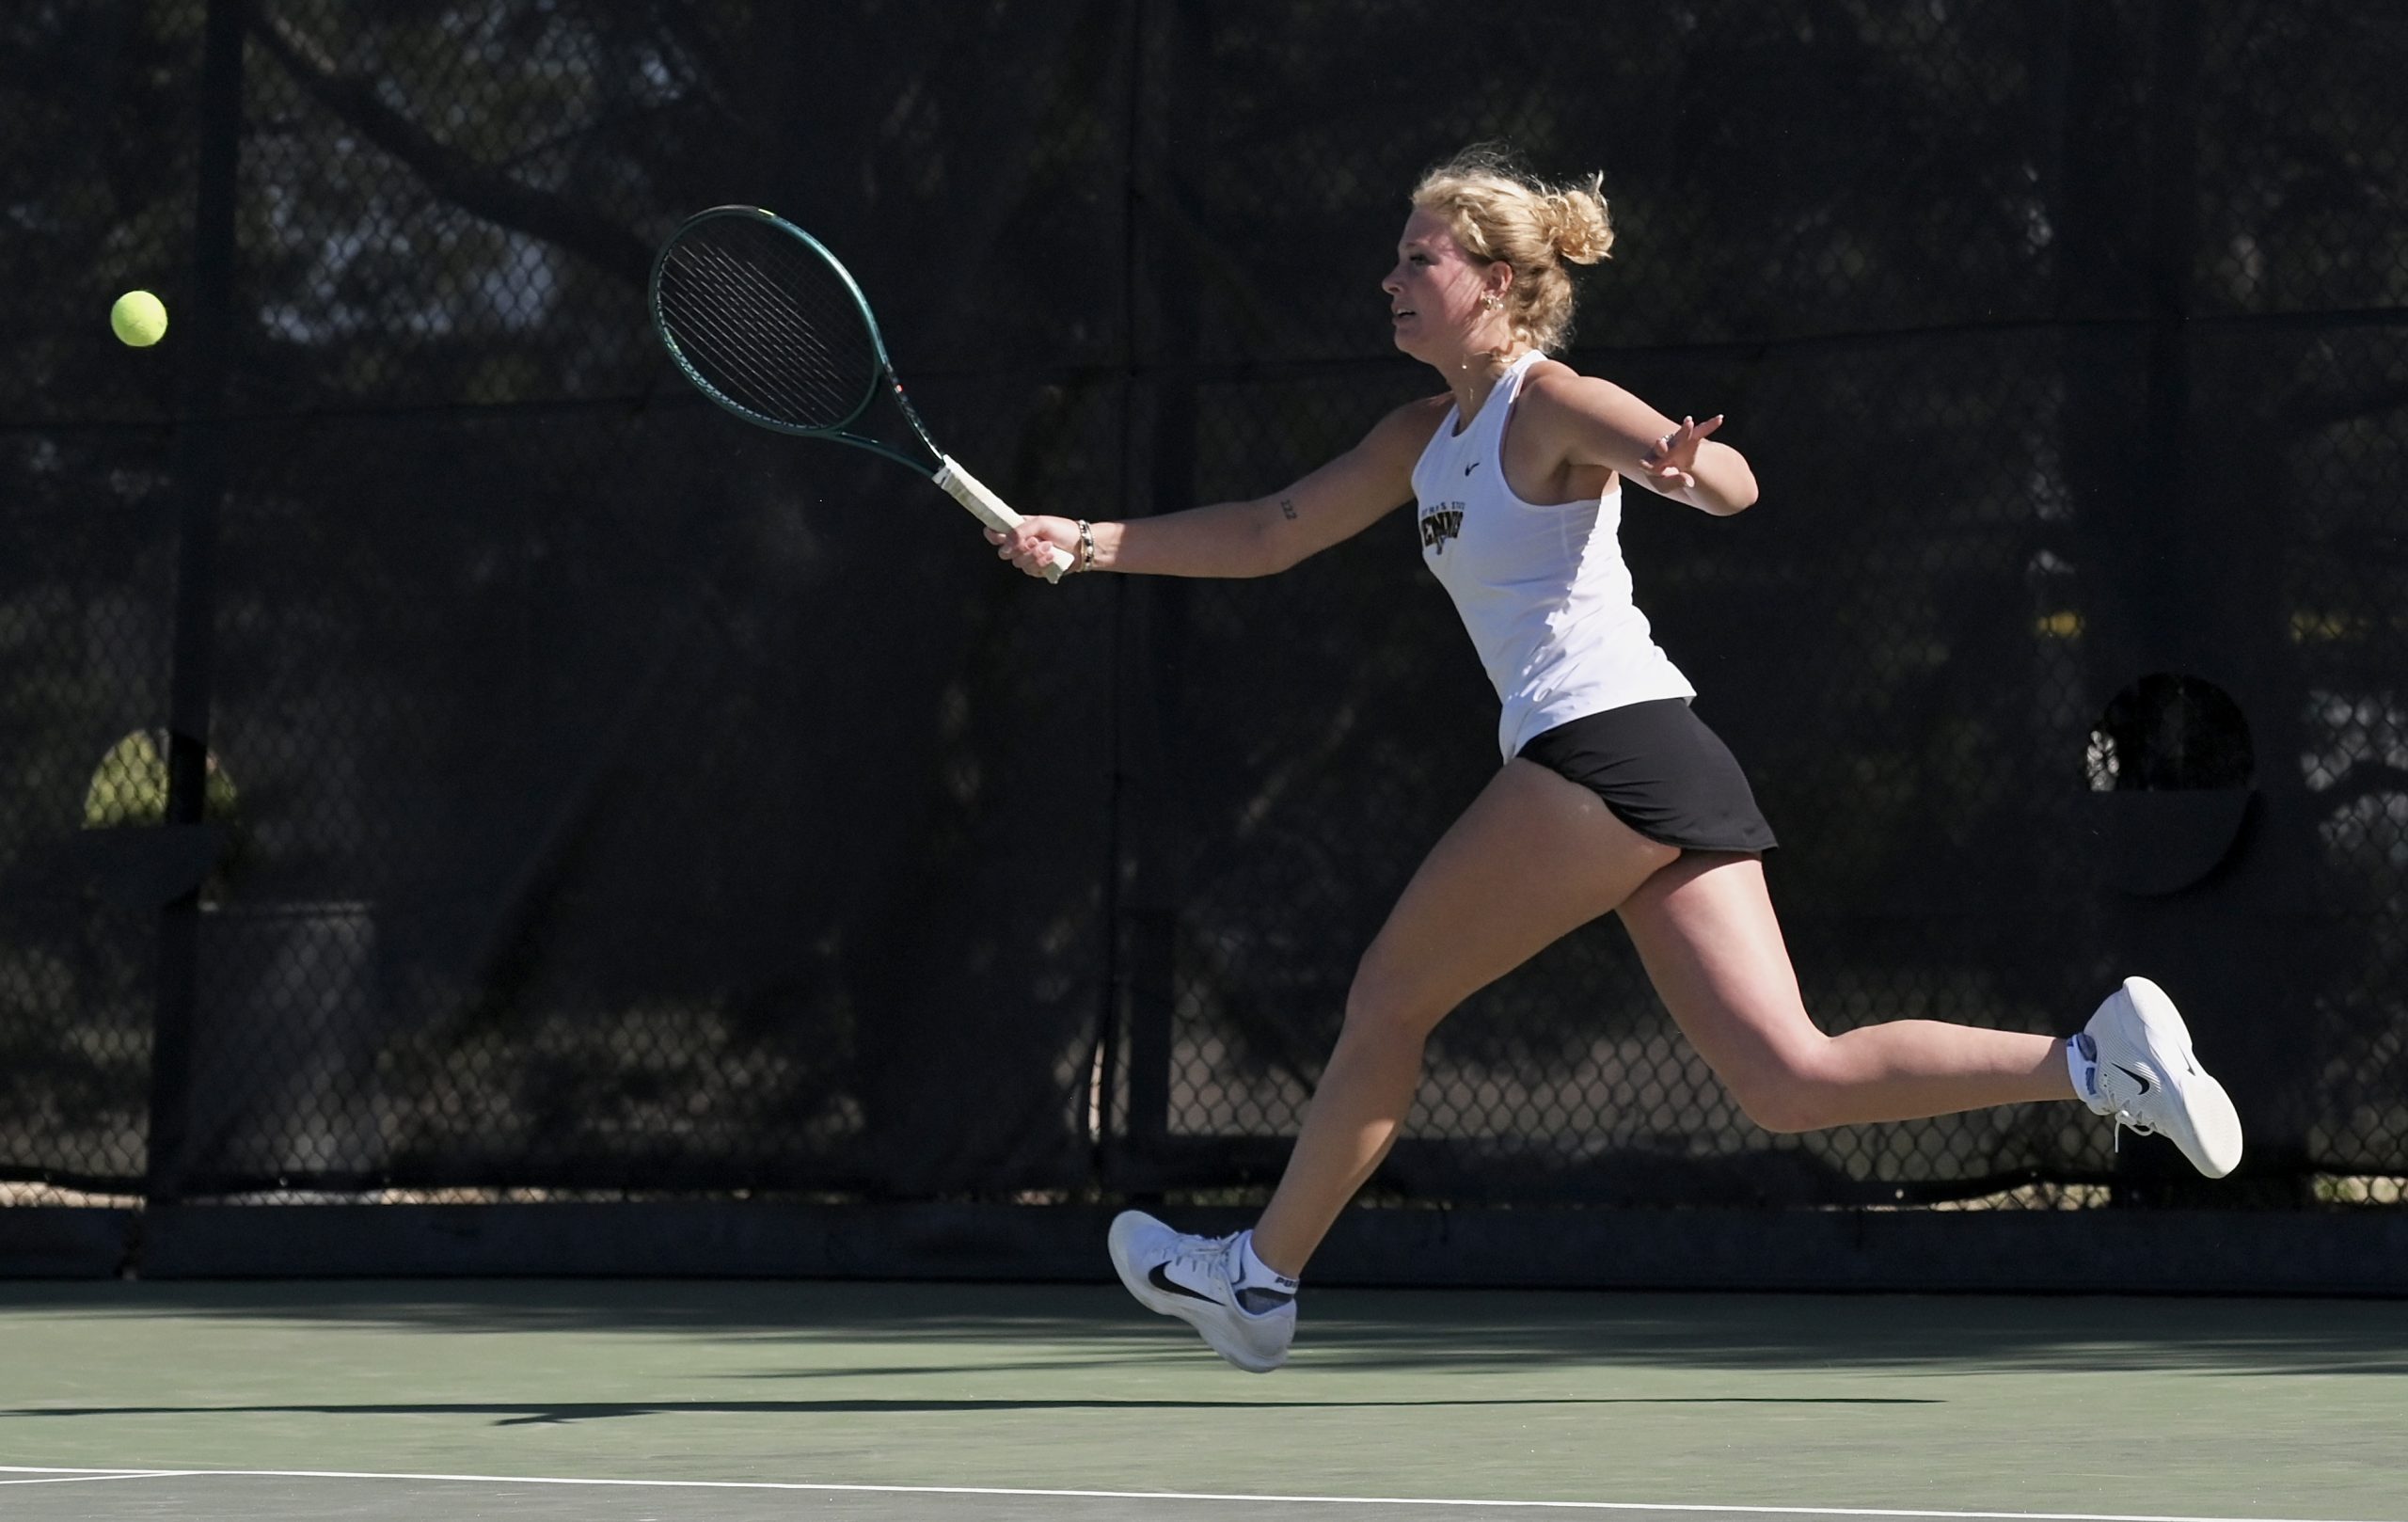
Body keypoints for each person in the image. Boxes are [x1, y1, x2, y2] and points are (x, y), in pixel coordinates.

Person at [988, 145, 2242, 1373]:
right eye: (1396, 258)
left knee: (1388, 997)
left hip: (1601, 744)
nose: (1391, 279)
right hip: (1659, 752)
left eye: (1420, 258)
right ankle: (2098, 1061)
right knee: (1789, 1078)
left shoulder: (1547, 400)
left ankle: (1259, 1277)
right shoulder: (1420, 436)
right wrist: (1087, 541)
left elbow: (1730, 482)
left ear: (1494, 282)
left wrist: (1687, 470)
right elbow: (1271, 530)